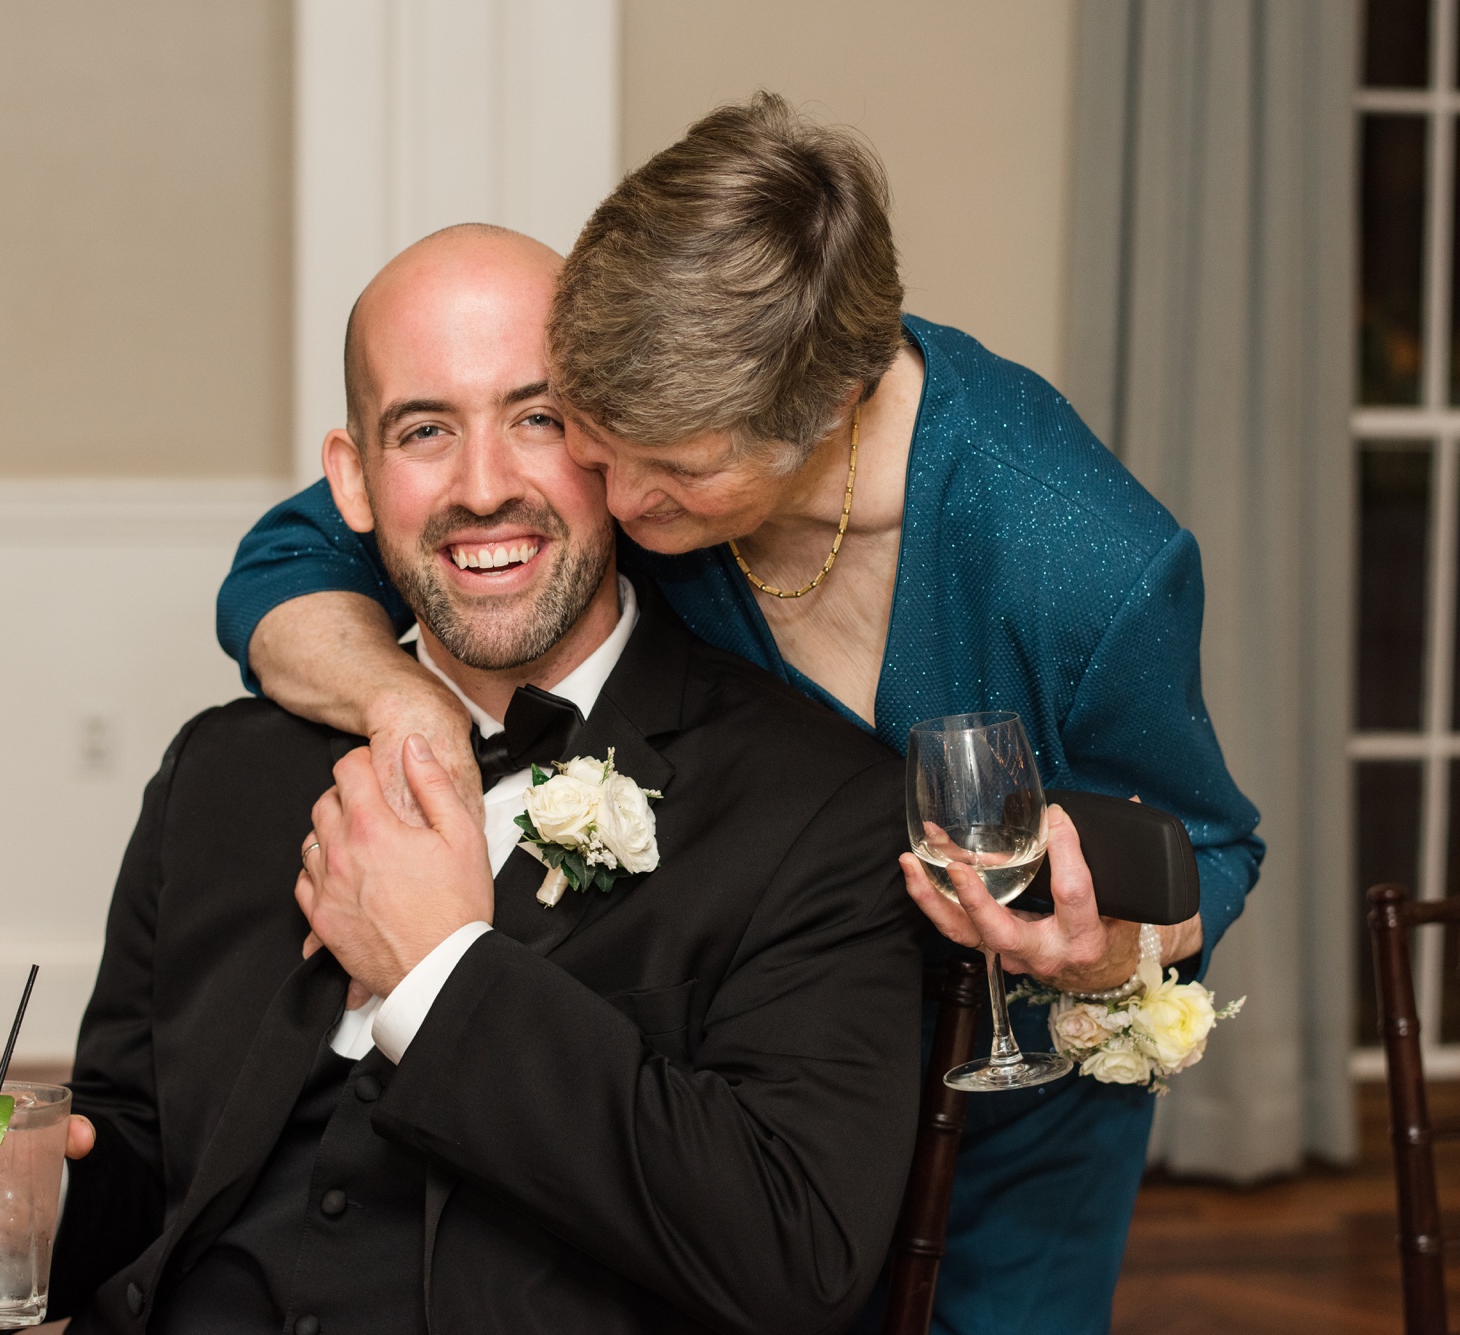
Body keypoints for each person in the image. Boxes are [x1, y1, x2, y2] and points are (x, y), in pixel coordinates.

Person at [215, 95, 1264, 1334]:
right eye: (597, 442)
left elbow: (1209, 849)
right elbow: (290, 567)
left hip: (1006, 1113)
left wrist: (1102, 950)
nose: (616, 496)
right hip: (742, 1081)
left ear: (834, 409)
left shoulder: (1082, 561)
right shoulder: (645, 402)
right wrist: (408, 706)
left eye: (680, 469)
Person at [0, 225, 930, 1333]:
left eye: (538, 418)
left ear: (615, 447)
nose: (483, 486)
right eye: (423, 431)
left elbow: (795, 1259)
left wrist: (438, 973)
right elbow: (139, 1163)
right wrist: (16, 1192)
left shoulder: (819, 812)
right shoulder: (218, 773)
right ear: (353, 482)